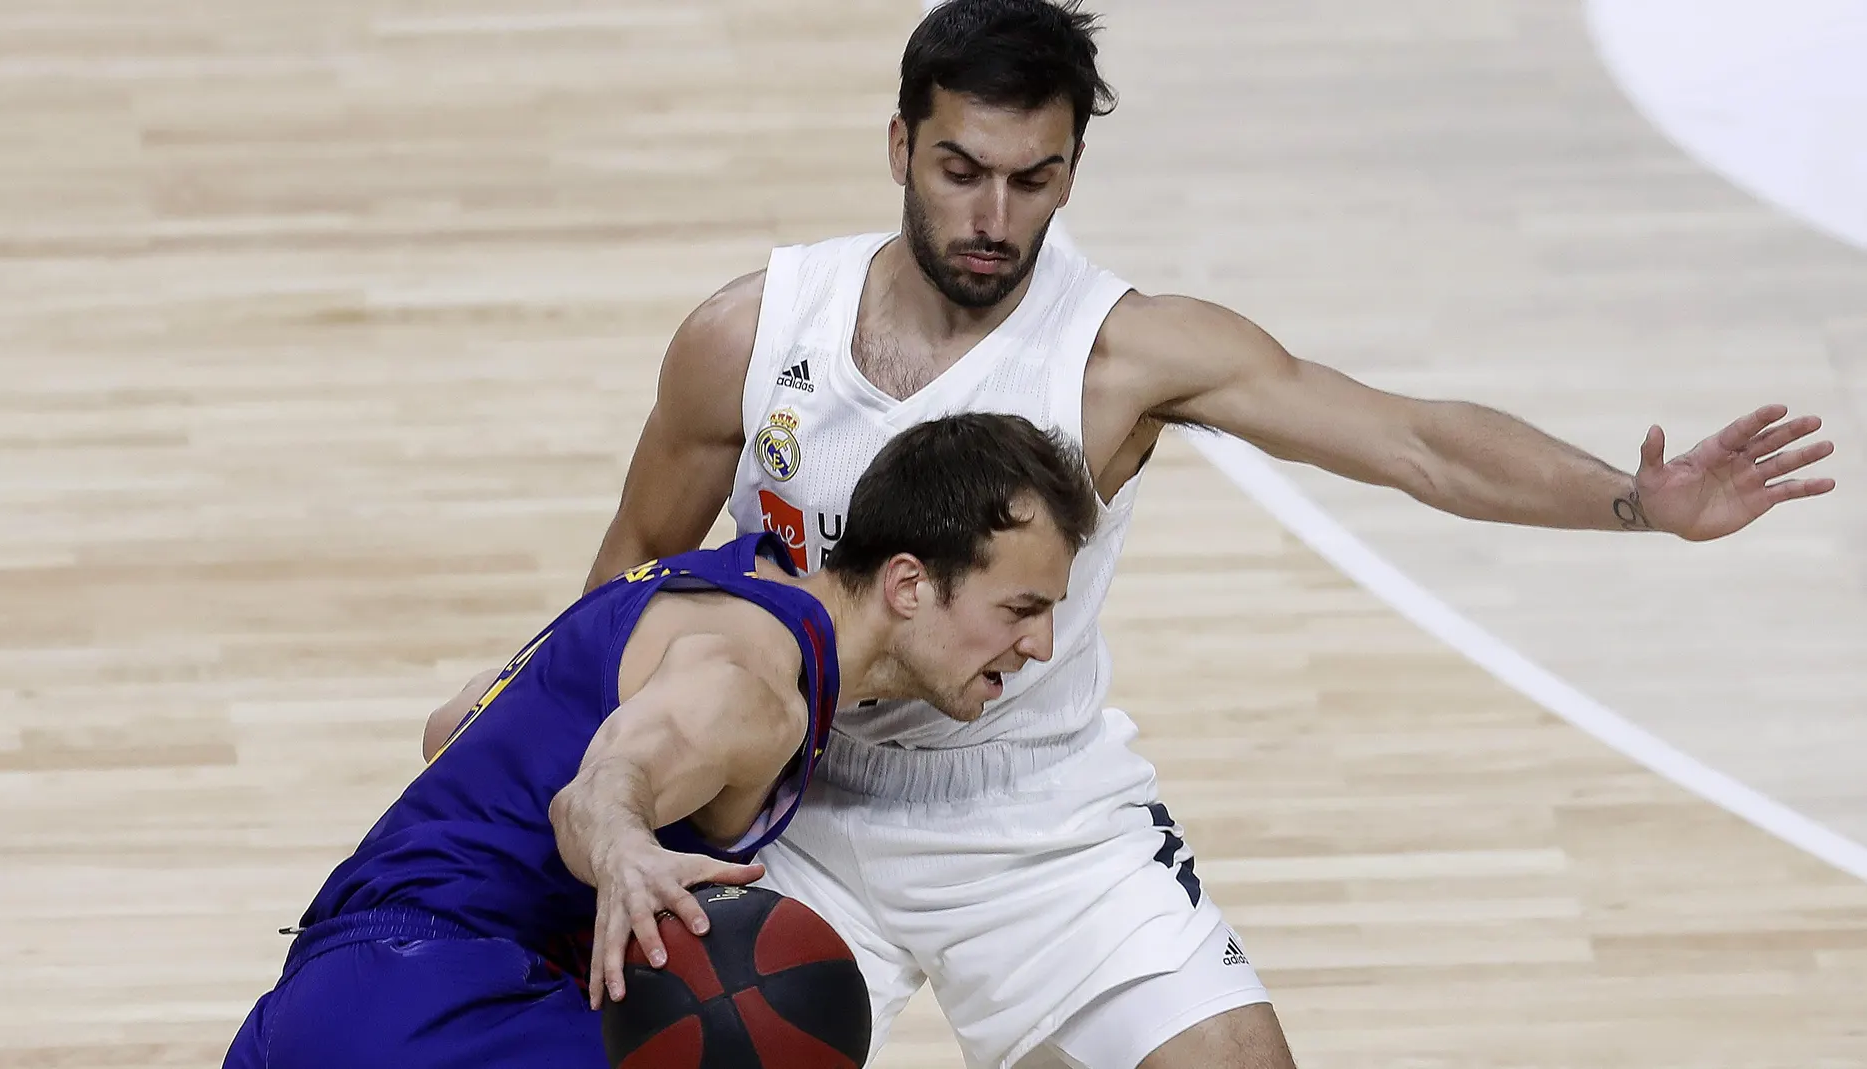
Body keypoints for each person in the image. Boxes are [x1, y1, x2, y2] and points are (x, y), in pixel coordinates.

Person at [568, 2, 1840, 1068]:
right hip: (785, 796)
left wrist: (1633, 497)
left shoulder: (1124, 352)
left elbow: (1413, 442)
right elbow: (625, 571)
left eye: (1034, 179)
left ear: (1072, 170)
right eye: (961, 171)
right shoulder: (752, 333)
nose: (993, 218)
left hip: (1035, 810)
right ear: (900, 143)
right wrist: (567, 794)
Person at [221, 412, 1098, 1068]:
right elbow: (596, 791)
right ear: (909, 583)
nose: (1041, 644)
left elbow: (448, 728)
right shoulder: (755, 686)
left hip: (326, 995)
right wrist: (626, 847)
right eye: (1021, 608)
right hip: (448, 1004)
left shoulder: (713, 584)